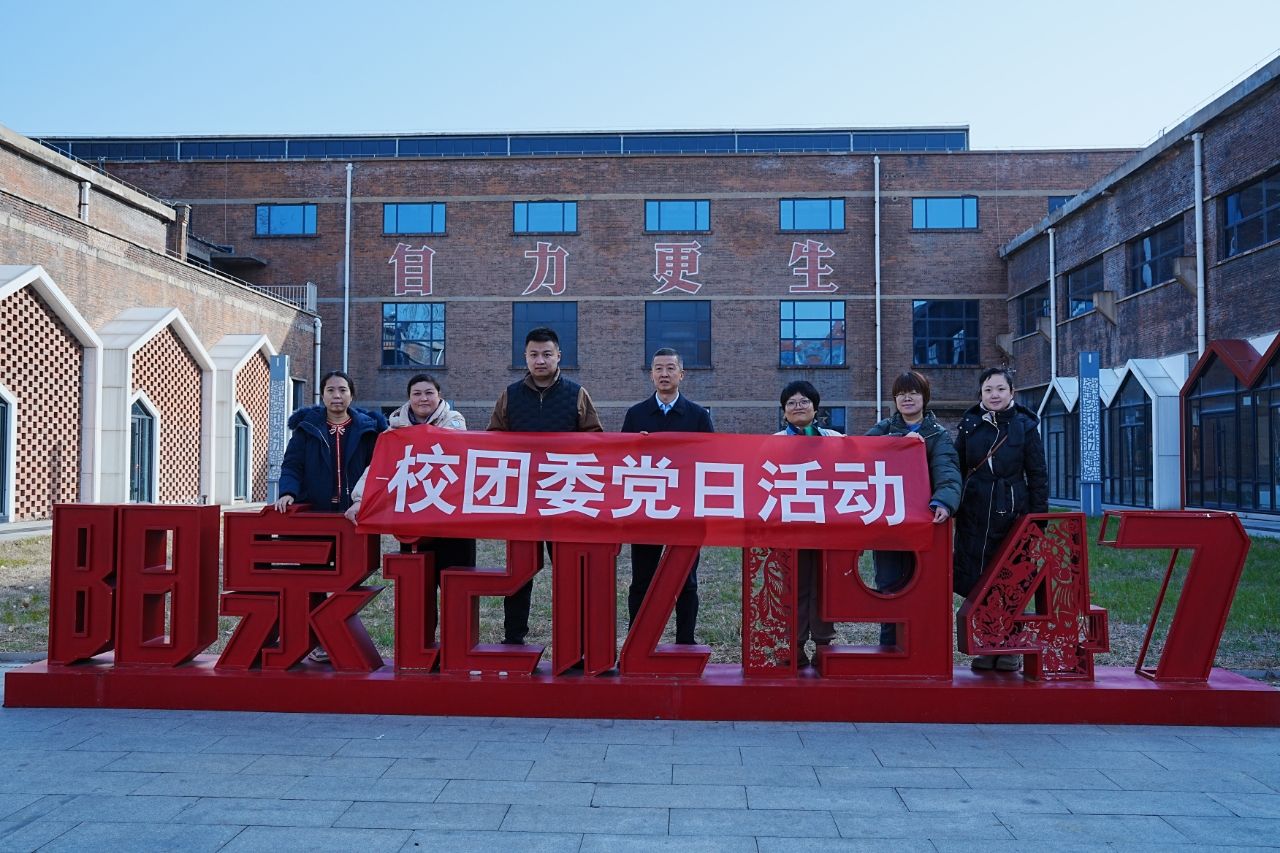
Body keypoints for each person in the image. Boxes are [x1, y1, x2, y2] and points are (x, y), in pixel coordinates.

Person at [488, 327, 603, 645]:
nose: (540, 360)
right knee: (519, 572)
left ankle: (575, 640)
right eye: (534, 355)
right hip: (521, 499)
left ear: (559, 356)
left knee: (569, 572)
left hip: (564, 496)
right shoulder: (510, 395)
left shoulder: (577, 394)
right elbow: (493, 438)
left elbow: (596, 439)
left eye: (547, 354)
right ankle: (513, 638)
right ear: (525, 357)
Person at [953, 366, 1049, 672]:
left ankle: (1010, 648)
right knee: (979, 579)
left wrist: (1038, 519)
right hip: (975, 512)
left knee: (1012, 579)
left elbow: (1037, 474)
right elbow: (955, 467)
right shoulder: (969, 424)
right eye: (988, 390)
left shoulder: (1025, 425)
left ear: (1011, 392)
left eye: (1000, 389)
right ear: (980, 393)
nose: (994, 395)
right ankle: (986, 644)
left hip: (1012, 511)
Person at [620, 347, 714, 645]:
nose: (664, 374)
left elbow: (712, 460)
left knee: (685, 580)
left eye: (670, 368)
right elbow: (621, 460)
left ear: (681, 374)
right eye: (658, 369)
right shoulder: (636, 414)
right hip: (645, 507)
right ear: (651, 375)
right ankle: (637, 642)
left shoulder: (698, 416)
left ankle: (685, 642)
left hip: (686, 509)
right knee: (642, 579)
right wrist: (636, 446)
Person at [346, 373, 476, 584]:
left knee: (457, 582)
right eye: (417, 394)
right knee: (417, 585)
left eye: (429, 393)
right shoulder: (394, 430)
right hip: (413, 512)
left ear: (439, 395)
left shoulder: (454, 421)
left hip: (450, 512)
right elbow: (379, 466)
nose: (423, 398)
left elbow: (454, 451)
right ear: (409, 397)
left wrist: (412, 438)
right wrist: (360, 499)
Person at [865, 370, 962, 647]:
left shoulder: (938, 435)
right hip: (888, 521)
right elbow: (857, 454)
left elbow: (948, 471)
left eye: (913, 393)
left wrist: (944, 501)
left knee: (920, 584)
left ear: (924, 397)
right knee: (888, 583)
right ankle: (889, 646)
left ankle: (918, 647)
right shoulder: (883, 430)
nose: (907, 398)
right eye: (901, 394)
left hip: (924, 521)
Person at [774, 380, 841, 668]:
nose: (797, 406)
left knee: (825, 585)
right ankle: (795, 645)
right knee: (794, 585)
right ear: (784, 412)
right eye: (791, 403)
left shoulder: (834, 439)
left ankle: (824, 645)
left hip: (827, 526)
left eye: (804, 402)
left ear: (815, 408)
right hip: (789, 526)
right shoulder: (773, 442)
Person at [274, 370, 386, 515]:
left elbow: (377, 469)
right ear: (322, 395)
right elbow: (292, 466)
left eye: (343, 390)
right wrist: (288, 492)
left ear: (351, 395)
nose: (337, 395)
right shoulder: (307, 428)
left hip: (357, 510)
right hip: (313, 510)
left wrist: (363, 500)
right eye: (330, 390)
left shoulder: (368, 431)